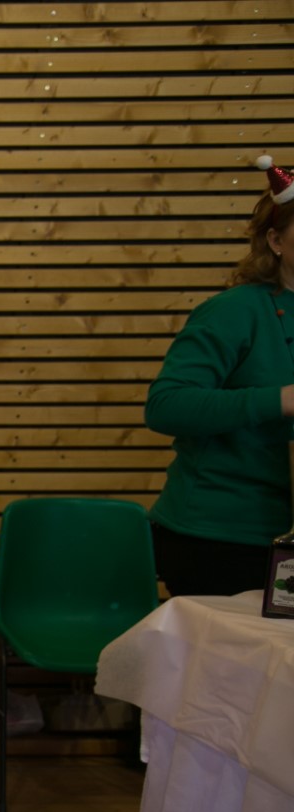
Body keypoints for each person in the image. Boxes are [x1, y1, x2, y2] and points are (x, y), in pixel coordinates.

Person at [144, 159, 294, 597]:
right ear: (275, 241)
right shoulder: (234, 311)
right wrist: (280, 400)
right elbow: (166, 406)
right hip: (222, 538)